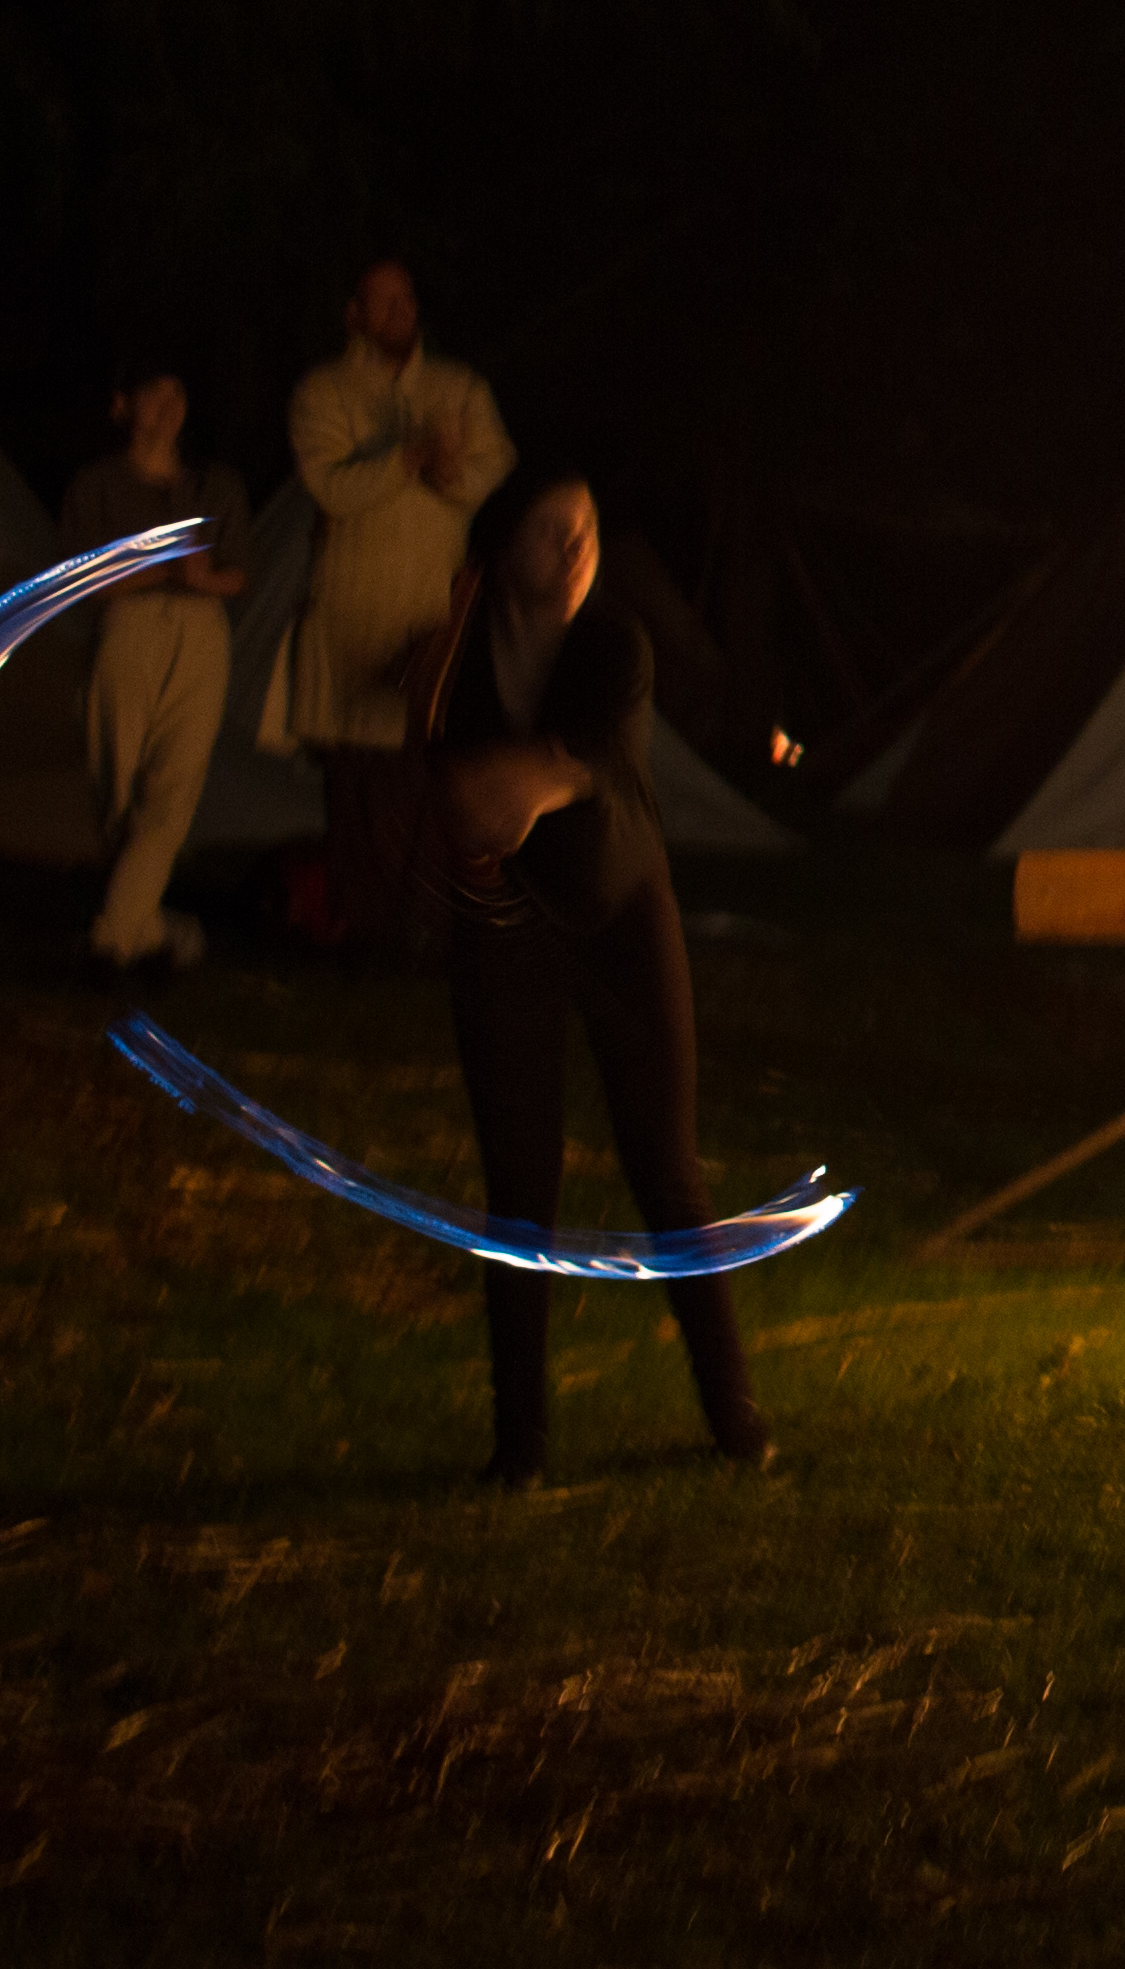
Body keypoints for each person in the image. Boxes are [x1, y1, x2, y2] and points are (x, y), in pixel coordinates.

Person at [415, 466, 767, 1483]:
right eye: (549, 532)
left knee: (666, 1166)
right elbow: (449, 782)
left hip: (622, 911)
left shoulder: (615, 643)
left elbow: (577, 763)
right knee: (519, 1185)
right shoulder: (459, 658)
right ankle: (519, 1442)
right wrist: (484, 785)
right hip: (504, 929)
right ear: (500, 551)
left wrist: (524, 778)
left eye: (587, 530)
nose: (575, 550)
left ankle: (735, 1415)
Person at [285, 258, 511, 946]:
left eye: (405, 296)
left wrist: (449, 471)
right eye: (381, 300)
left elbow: (491, 465)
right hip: (352, 609)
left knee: (423, 769)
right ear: (353, 313)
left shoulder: (457, 387)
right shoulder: (324, 392)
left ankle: (423, 925)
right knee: (358, 775)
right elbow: (332, 488)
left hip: (427, 610)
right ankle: (362, 924)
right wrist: (407, 457)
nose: (398, 309)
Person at [54, 360, 249, 971]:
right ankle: (148, 929)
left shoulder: (214, 486)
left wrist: (202, 579)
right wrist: (159, 569)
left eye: (178, 392)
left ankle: (111, 938)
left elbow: (236, 572)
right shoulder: (98, 485)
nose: (169, 406)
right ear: (122, 406)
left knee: (175, 782)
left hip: (199, 631)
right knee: (118, 783)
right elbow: (80, 579)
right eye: (155, 393)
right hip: (129, 628)